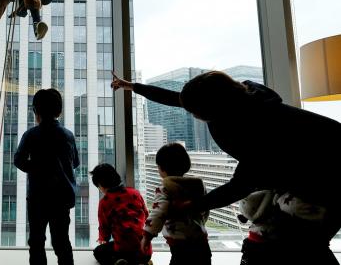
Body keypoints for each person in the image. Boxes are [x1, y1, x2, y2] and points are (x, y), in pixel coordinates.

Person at [111, 70, 341, 263]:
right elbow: (178, 98)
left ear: (212, 110)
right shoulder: (247, 100)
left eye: (194, 112)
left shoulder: (255, 129)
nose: (192, 114)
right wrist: (133, 87)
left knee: (294, 248)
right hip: (317, 173)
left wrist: (195, 205)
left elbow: (241, 184)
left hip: (327, 184)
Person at [14, 88, 79, 265]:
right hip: (62, 197)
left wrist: (35, 168)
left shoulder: (31, 135)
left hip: (38, 197)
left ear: (36, 111)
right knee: (61, 241)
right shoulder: (68, 135)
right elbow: (75, 163)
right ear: (59, 111)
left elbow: (18, 160)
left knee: (36, 241)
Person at [141, 143, 210, 265]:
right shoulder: (198, 185)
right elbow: (205, 208)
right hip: (201, 241)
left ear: (161, 168)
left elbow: (158, 213)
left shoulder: (165, 188)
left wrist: (147, 236)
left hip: (180, 244)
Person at [90, 163, 152, 265]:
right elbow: (146, 214)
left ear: (100, 185)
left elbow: (104, 228)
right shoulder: (135, 193)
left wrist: (103, 238)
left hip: (123, 250)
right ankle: (144, 262)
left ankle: (118, 262)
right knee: (134, 248)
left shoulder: (105, 202)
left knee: (98, 252)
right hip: (145, 249)